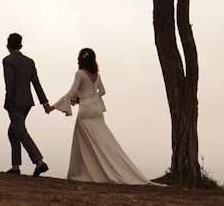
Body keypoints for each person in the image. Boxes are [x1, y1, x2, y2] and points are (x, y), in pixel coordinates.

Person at [49, 47, 149, 184]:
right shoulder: (97, 75)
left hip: (85, 110)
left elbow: (72, 91)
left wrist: (53, 107)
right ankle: (107, 170)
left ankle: (85, 172)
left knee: (83, 143)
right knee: (102, 141)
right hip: (97, 110)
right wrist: (92, 97)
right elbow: (102, 91)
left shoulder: (80, 73)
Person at [2, 32, 52, 176]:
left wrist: (8, 101)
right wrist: (44, 103)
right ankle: (16, 166)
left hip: (15, 102)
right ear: (21, 45)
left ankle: (39, 162)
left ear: (8, 46)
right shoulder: (29, 62)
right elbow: (36, 83)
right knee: (13, 132)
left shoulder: (7, 61)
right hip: (27, 102)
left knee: (20, 131)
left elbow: (9, 83)